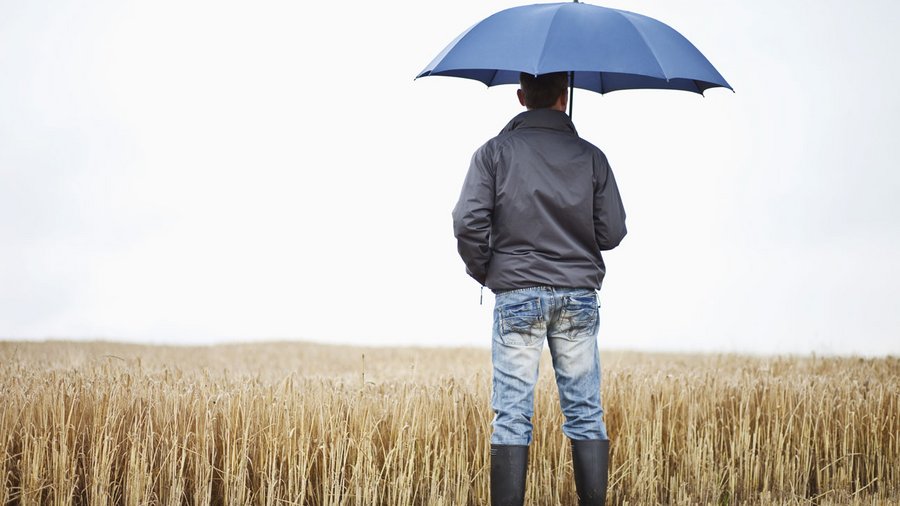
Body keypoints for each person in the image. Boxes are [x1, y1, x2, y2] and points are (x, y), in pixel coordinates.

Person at [451, 72, 627, 506]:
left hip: (516, 294)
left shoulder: (492, 153)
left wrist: (487, 270)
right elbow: (613, 232)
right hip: (578, 296)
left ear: (520, 96)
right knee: (586, 412)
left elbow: (466, 222)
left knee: (511, 415)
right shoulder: (592, 157)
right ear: (564, 98)